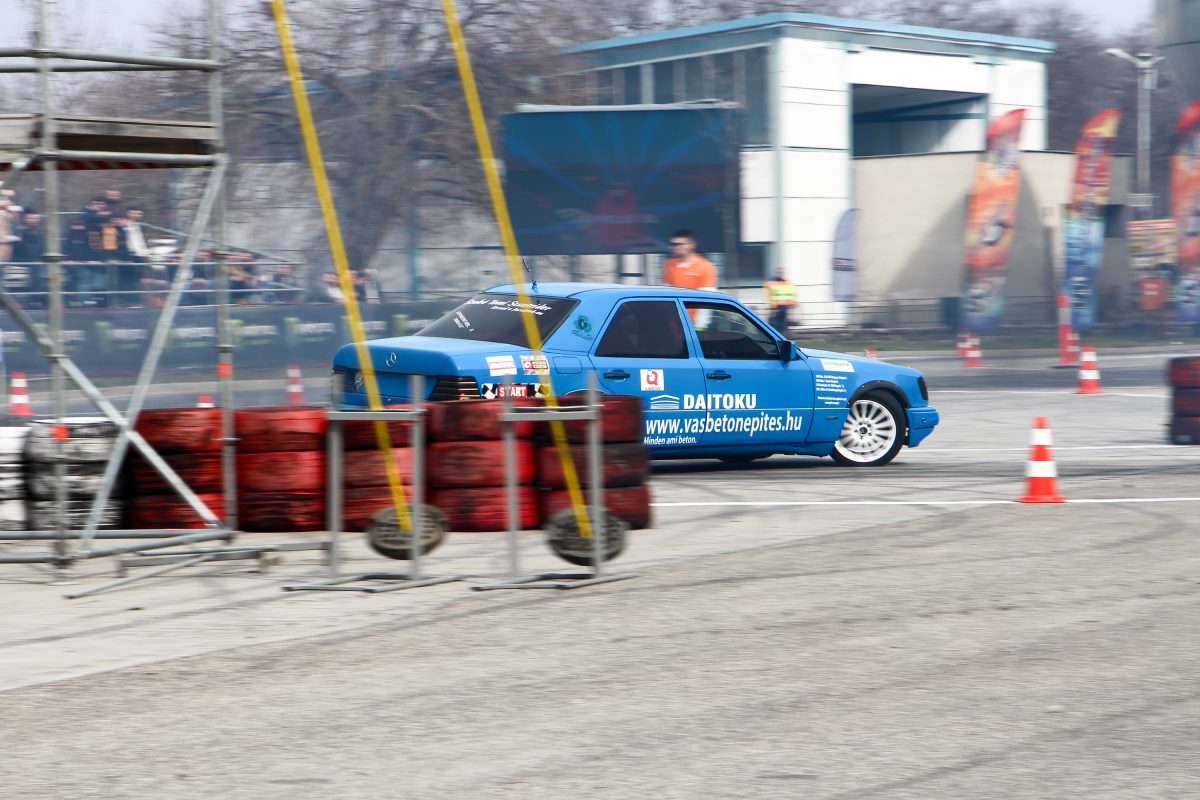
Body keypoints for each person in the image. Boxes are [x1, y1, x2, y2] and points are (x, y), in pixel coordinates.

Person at [661, 229, 717, 327]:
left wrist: (700, 326)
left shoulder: (705, 267)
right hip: (672, 325)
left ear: (691, 245)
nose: (675, 248)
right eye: (672, 244)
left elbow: (707, 300)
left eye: (679, 244)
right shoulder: (668, 265)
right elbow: (665, 295)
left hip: (694, 326)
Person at [763, 268, 797, 336]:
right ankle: (773, 336)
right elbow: (768, 295)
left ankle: (783, 337)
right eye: (779, 272)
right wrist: (771, 307)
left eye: (782, 272)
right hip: (775, 307)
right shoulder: (771, 283)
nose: (780, 274)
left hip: (785, 307)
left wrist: (792, 306)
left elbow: (791, 294)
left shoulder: (787, 283)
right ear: (776, 273)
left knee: (782, 324)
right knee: (773, 324)